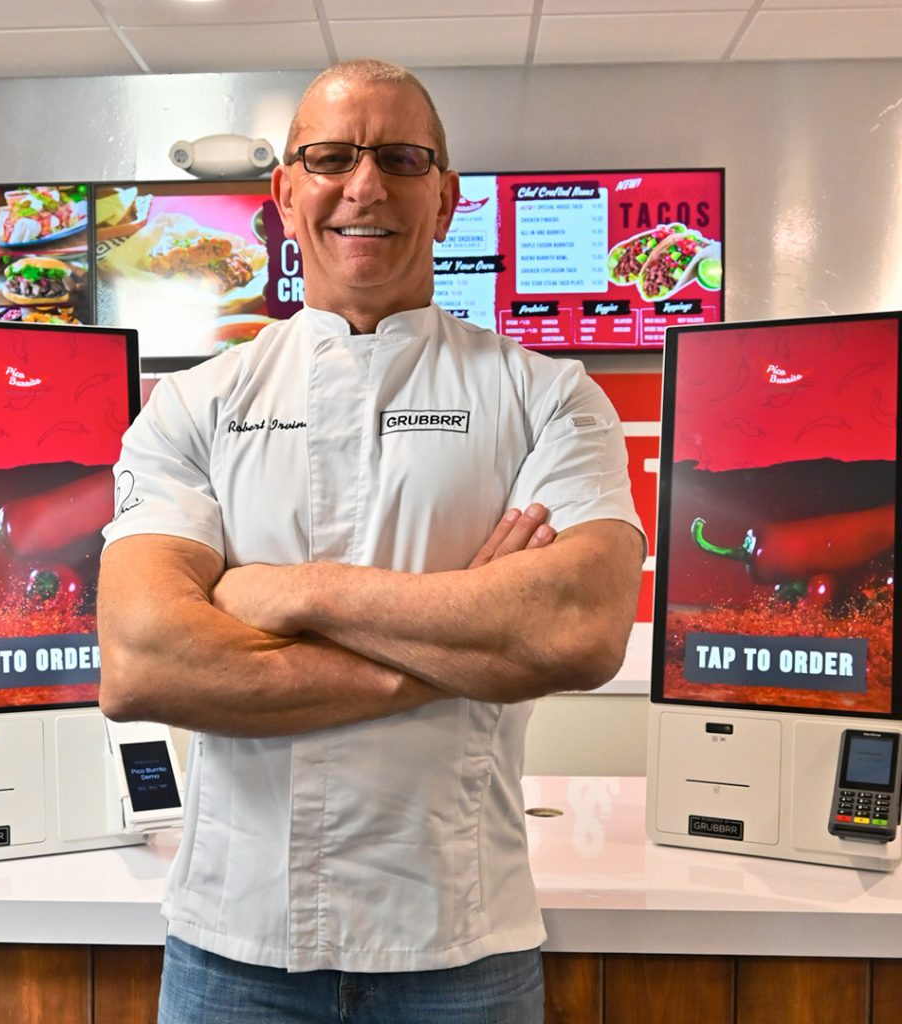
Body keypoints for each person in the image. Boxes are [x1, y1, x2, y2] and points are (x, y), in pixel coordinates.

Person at [97, 58, 644, 1024]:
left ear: (445, 196)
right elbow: (143, 663)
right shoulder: (193, 404)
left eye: (399, 157)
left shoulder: (550, 399)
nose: (364, 185)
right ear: (285, 192)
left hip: (460, 944)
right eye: (331, 157)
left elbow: (580, 630)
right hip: (234, 947)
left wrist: (289, 592)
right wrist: (470, 646)